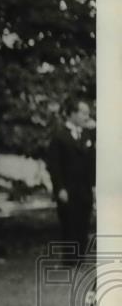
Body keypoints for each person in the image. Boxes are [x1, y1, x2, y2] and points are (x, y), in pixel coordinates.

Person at [46, 97, 95, 255]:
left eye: (88, 114)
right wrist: (60, 188)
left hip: (85, 190)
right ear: (72, 114)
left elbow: (92, 162)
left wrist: (94, 186)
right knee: (69, 226)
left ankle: (80, 258)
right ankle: (70, 260)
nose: (87, 117)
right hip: (68, 190)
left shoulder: (87, 135)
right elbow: (54, 166)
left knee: (83, 225)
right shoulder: (60, 137)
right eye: (83, 113)